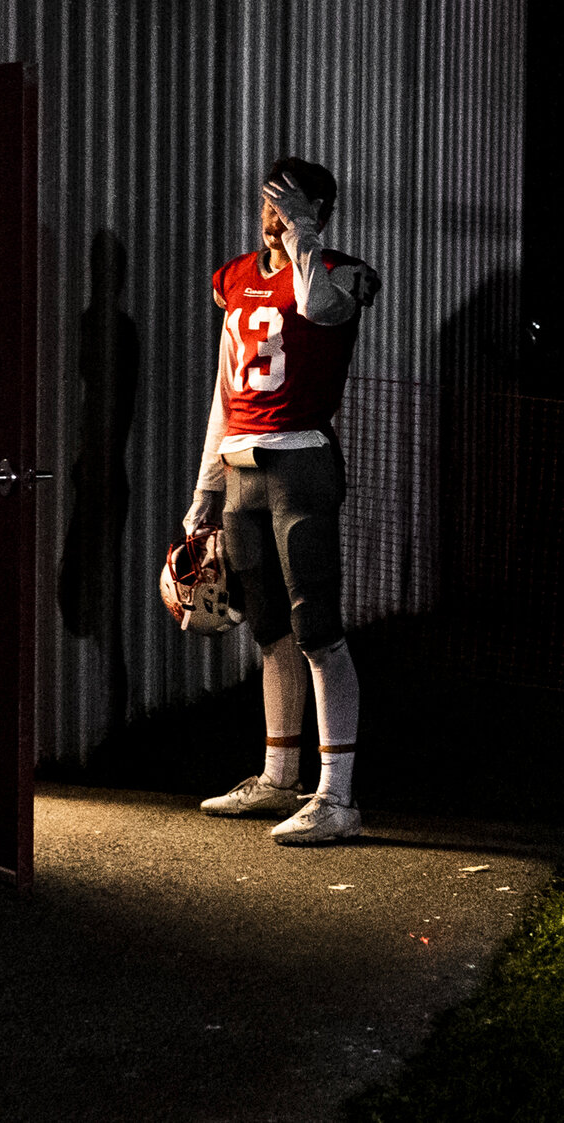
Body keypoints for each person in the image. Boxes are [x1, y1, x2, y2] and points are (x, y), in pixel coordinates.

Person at [173, 158, 382, 844]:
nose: (270, 212)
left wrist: (302, 234)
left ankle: (338, 796)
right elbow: (223, 392)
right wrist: (205, 487)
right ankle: (279, 775)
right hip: (241, 467)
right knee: (270, 631)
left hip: (301, 463)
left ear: (318, 207)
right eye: (267, 201)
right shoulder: (233, 277)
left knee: (318, 626)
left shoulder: (336, 272)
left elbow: (319, 306)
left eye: (286, 201)